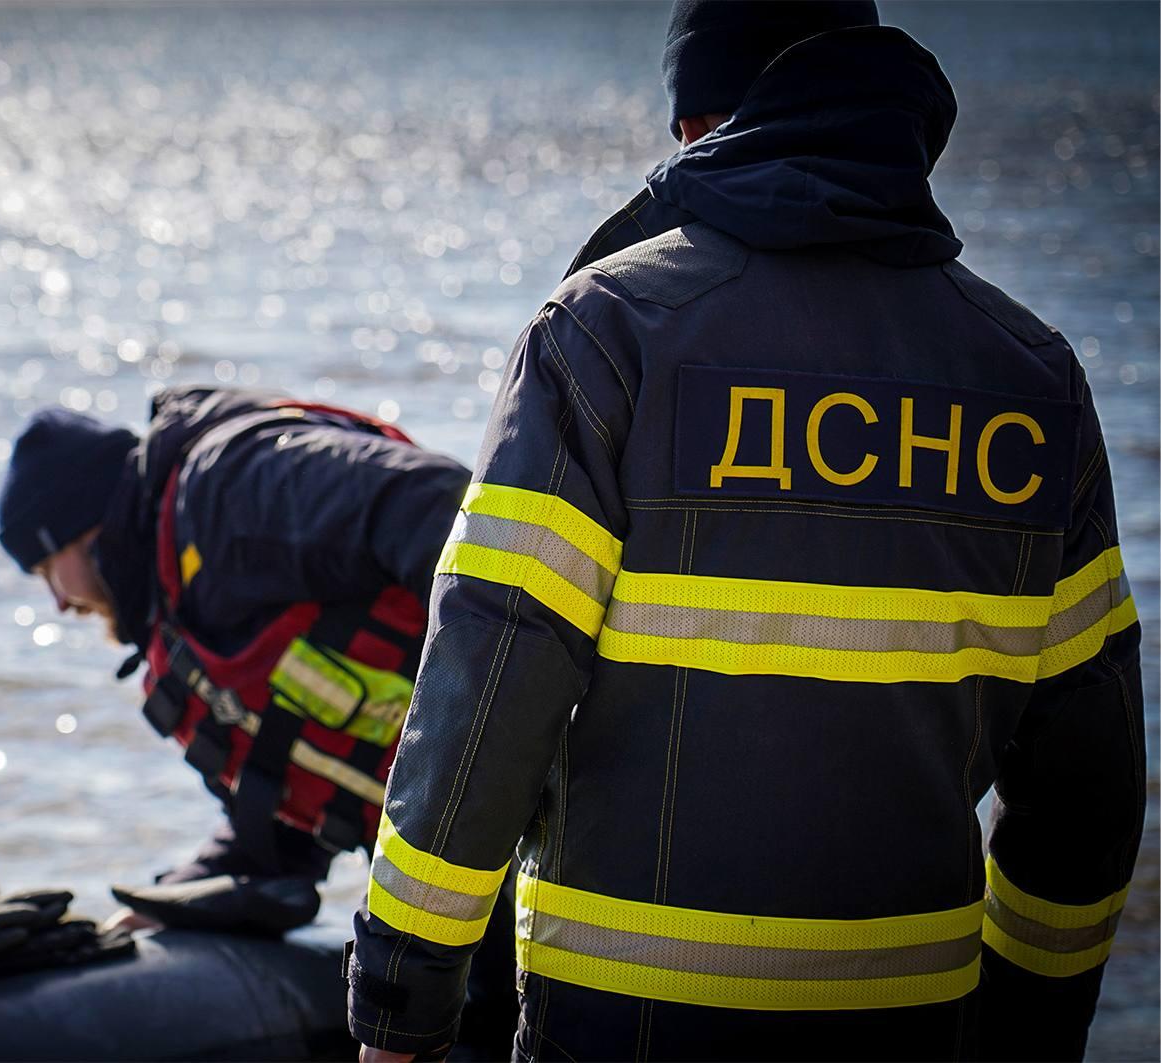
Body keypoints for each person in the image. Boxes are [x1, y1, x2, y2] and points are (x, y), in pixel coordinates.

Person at [347, 3, 1146, 1061]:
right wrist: (1026, 1033)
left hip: (620, 1027)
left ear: (700, 126)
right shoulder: (1031, 380)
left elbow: (486, 695)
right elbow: (1086, 798)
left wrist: (400, 1008)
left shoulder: (605, 332)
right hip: (908, 1029)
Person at [0, 387, 520, 1055]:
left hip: (520, 802)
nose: (59, 601)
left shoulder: (230, 485)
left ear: (85, 530)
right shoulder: (181, 601)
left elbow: (437, 504)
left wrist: (480, 723)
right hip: (455, 861)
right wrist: (182, 897)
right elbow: (288, 811)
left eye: (47, 568)